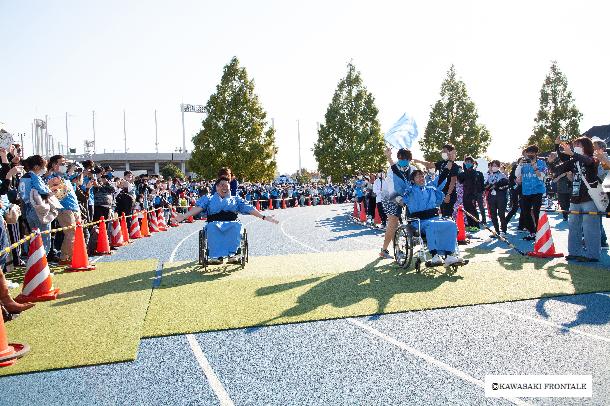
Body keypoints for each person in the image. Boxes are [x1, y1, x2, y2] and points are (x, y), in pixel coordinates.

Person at [176, 176, 279, 264]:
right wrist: (184, 216)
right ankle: (216, 257)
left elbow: (250, 209)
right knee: (211, 227)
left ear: (230, 188)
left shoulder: (236, 199)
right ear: (216, 187)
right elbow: (198, 208)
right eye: (222, 185)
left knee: (236, 226)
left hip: (232, 222)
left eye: (226, 186)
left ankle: (232, 255)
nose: (224, 188)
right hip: (214, 223)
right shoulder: (209, 199)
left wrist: (263, 217)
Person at [548, 136, 600, 262]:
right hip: (575, 198)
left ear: (586, 147)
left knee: (590, 227)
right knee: (573, 226)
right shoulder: (573, 161)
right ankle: (574, 252)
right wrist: (550, 162)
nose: (576, 147)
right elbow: (557, 169)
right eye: (575, 145)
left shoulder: (593, 159)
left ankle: (592, 255)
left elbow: (588, 161)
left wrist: (573, 154)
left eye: (579, 145)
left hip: (589, 198)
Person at [401, 170, 464, 267]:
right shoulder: (410, 190)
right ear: (413, 180)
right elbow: (402, 192)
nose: (421, 178)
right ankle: (435, 255)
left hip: (434, 218)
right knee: (432, 225)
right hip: (419, 221)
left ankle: (448, 255)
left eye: (422, 176)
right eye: (418, 177)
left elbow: (441, 178)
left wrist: (448, 164)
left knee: (451, 223)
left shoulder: (431, 188)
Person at [379, 147, 414, 259]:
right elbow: (391, 186)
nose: (402, 160)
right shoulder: (391, 169)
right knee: (393, 222)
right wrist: (398, 198)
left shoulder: (412, 169)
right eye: (400, 158)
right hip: (389, 197)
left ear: (409, 159)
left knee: (396, 225)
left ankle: (396, 249)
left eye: (405, 158)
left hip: (404, 197)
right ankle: (385, 250)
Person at [47, 155, 81, 265]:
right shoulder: (52, 177)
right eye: (62, 163)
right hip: (64, 209)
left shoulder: (65, 177)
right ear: (54, 165)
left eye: (65, 164)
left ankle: (65, 256)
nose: (64, 166)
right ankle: (69, 257)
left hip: (74, 207)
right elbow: (54, 193)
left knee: (74, 233)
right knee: (71, 233)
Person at [515, 145, 547, 241]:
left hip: (538, 191)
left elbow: (542, 176)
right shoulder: (523, 163)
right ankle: (532, 232)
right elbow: (517, 175)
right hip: (526, 191)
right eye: (528, 153)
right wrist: (520, 165)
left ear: (536, 153)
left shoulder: (542, 163)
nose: (529, 155)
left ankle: (539, 232)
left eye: (531, 153)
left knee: (537, 212)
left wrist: (534, 166)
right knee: (525, 212)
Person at [458, 156, 485, 230]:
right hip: (465, 194)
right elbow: (460, 179)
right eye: (466, 162)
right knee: (466, 210)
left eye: (469, 162)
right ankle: (470, 225)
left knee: (473, 210)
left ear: (473, 163)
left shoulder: (474, 173)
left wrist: (475, 196)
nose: (467, 163)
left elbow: (477, 185)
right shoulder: (464, 173)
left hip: (472, 195)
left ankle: (476, 225)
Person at [485, 160, 509, 236]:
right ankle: (496, 231)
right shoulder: (489, 175)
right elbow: (486, 186)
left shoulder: (502, 175)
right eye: (493, 165)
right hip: (492, 197)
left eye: (496, 165)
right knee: (493, 214)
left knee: (501, 214)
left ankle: (504, 231)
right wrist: (487, 186)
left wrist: (496, 185)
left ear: (498, 166)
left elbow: (506, 184)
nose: (494, 167)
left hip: (501, 197)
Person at [435, 144, 460, 218]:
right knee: (442, 214)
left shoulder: (454, 166)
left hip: (449, 194)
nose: (443, 153)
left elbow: (453, 181)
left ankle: (453, 229)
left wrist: (448, 194)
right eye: (442, 151)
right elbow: (430, 165)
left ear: (450, 153)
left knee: (448, 216)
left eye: (445, 151)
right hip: (442, 193)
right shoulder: (442, 163)